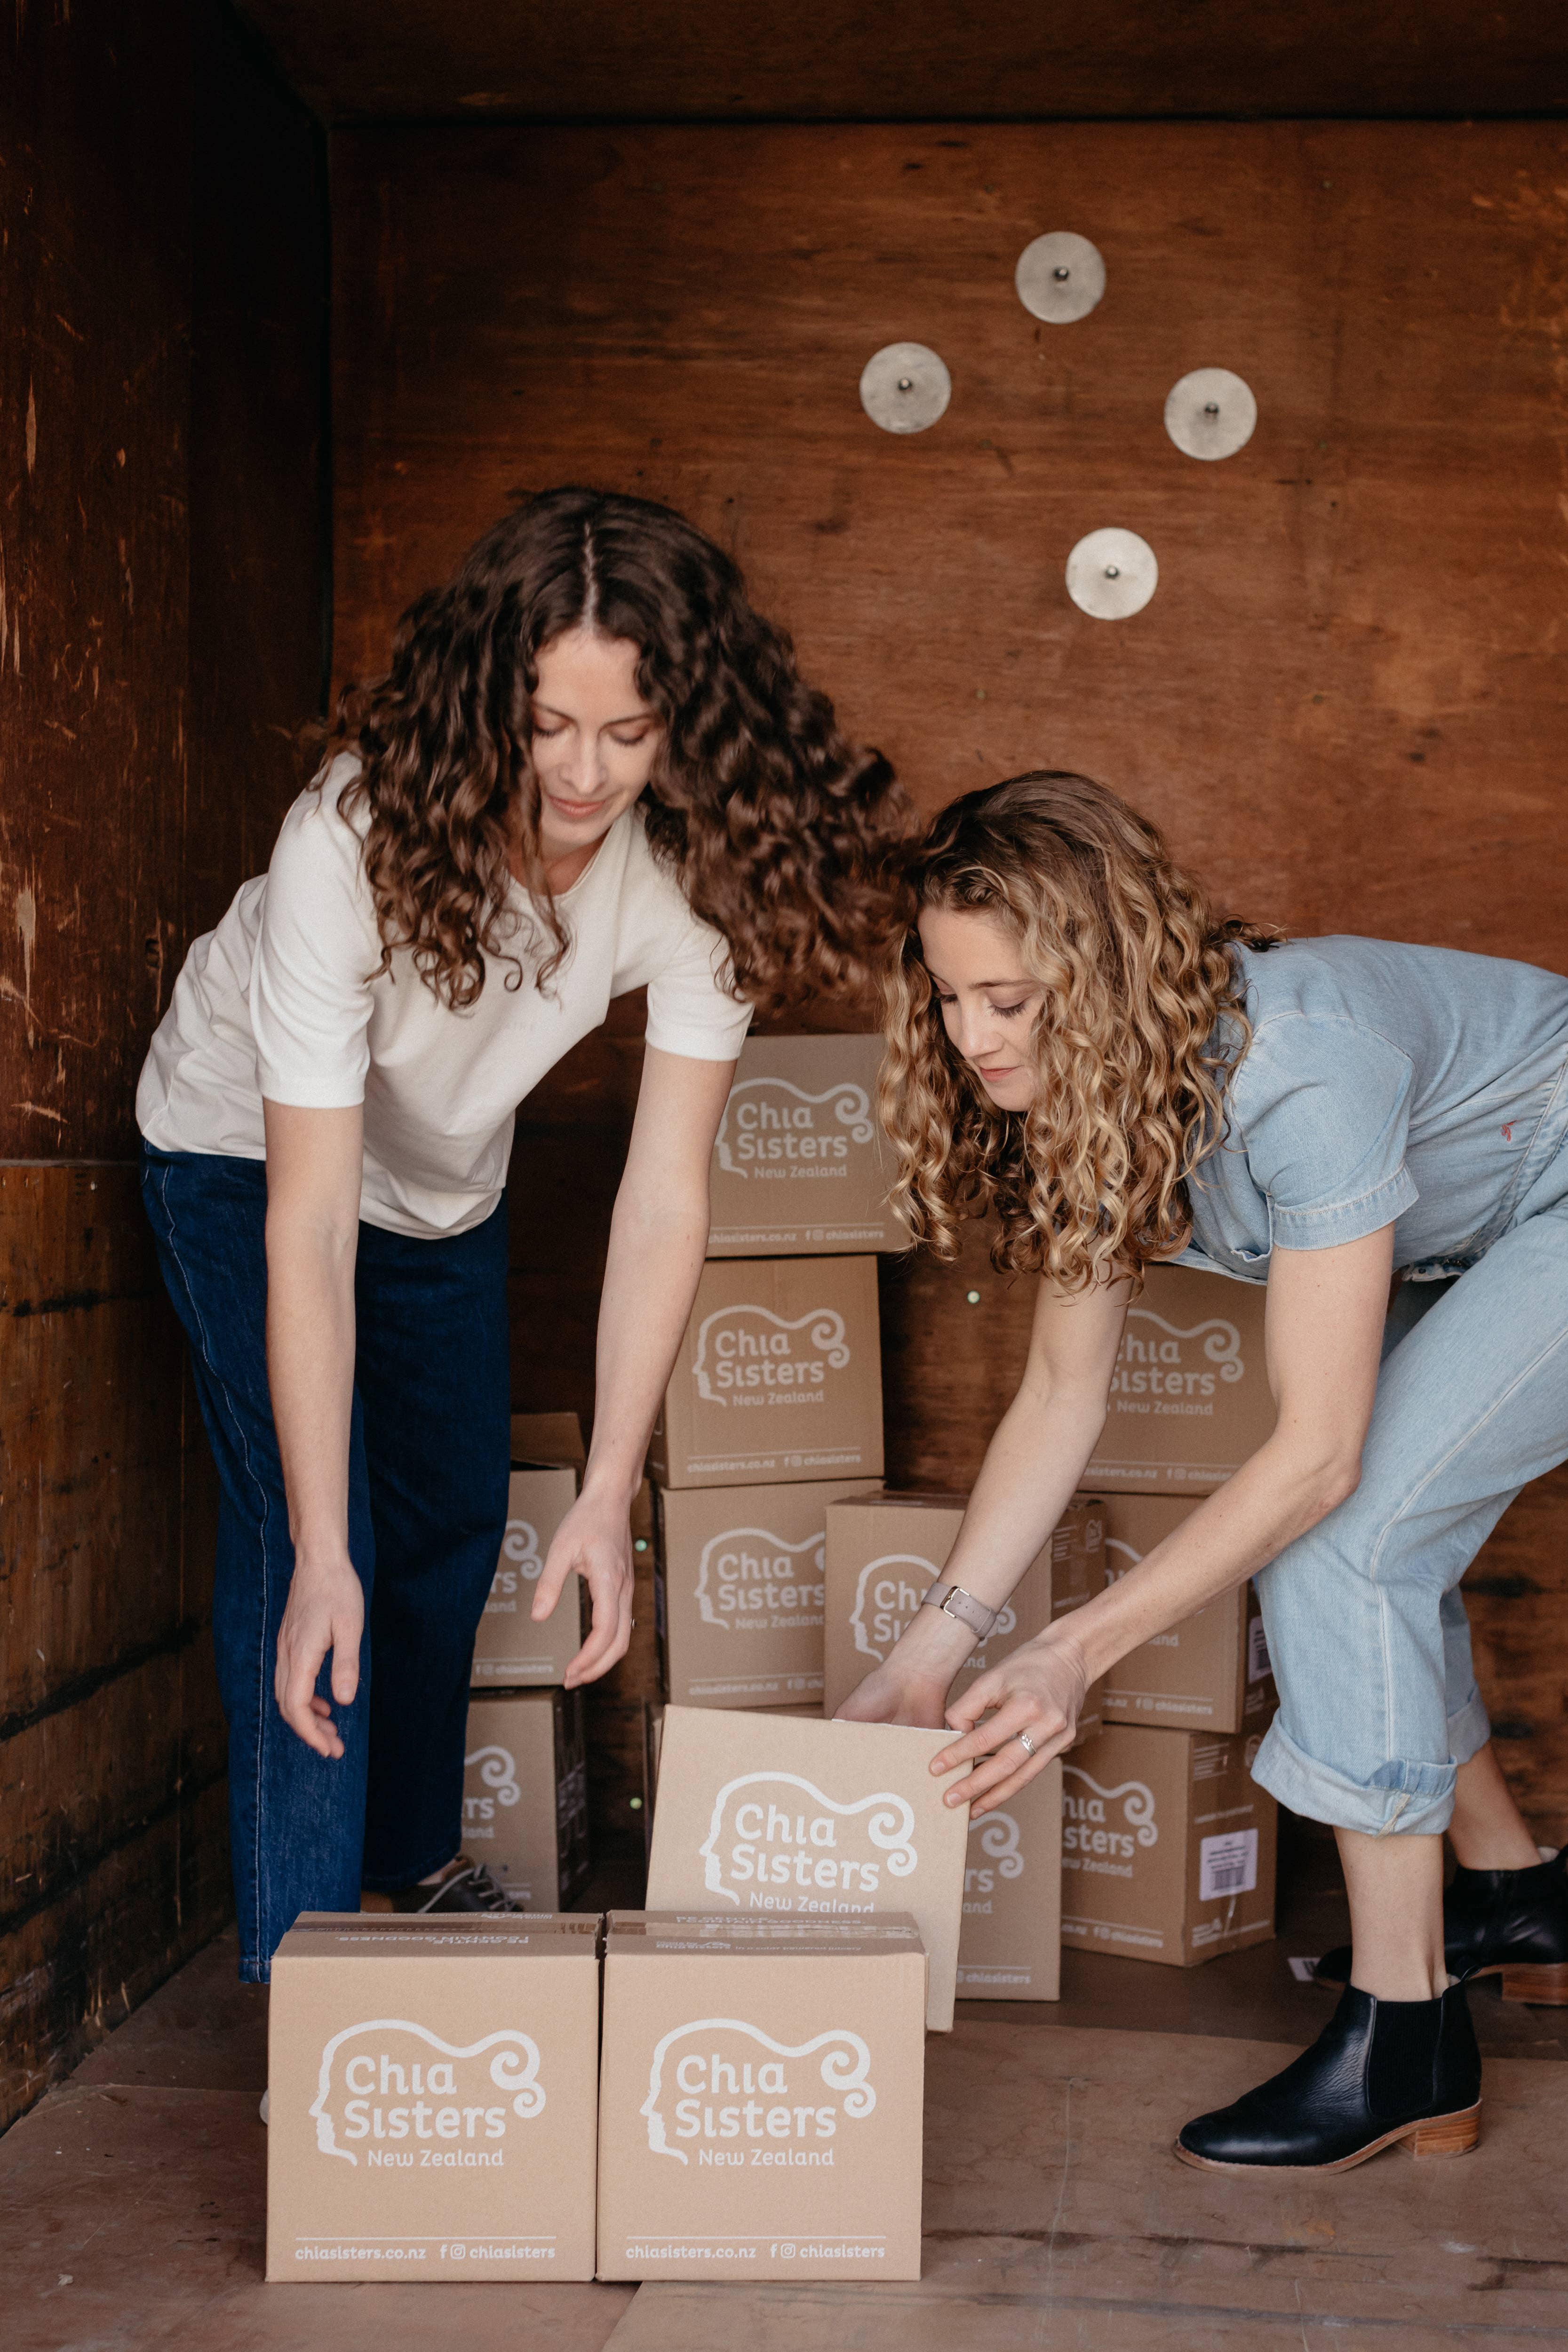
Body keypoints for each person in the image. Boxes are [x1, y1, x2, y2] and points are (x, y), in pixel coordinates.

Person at [138, 485, 903, 1983]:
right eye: (548, 725)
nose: (583, 772)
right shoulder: (345, 844)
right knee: (326, 1549)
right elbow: (306, 1224)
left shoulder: (701, 875)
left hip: (439, 1184)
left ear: (691, 721)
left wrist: (614, 1482)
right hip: (243, 1158)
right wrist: (314, 1540)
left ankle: (414, 1856)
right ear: (490, 693)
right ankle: (302, 1981)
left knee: (446, 1528)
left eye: (629, 734)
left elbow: (665, 1187)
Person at [840, 770, 1568, 2173]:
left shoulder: (1304, 1065)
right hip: (1474, 1213)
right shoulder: (1080, 1085)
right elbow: (1062, 1393)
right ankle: (1513, 1893)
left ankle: (1409, 2036)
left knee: (1346, 1539)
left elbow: (1317, 1457)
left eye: (1010, 1000)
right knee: (1388, 1535)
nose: (973, 1039)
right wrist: (933, 1652)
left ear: (1103, 972)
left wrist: (1074, 1652)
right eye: (947, 995)